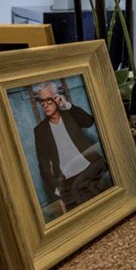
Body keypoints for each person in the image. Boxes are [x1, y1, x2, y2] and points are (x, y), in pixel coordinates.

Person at [32, 81, 110, 211]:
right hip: (67, 177)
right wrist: (55, 189)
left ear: (57, 98)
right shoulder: (40, 130)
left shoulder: (70, 114)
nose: (45, 105)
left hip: (90, 165)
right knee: (74, 203)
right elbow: (43, 164)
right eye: (42, 101)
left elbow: (89, 121)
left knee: (78, 191)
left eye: (48, 100)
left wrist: (67, 105)